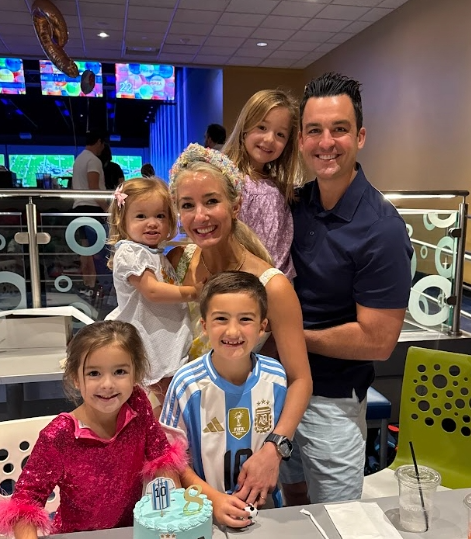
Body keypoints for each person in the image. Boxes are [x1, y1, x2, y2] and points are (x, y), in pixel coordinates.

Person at [280, 72, 413, 505]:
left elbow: (378, 341)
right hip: (276, 389)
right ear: (301, 140)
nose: (326, 142)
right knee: (287, 504)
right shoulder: (293, 204)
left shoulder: (382, 229)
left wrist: (287, 338)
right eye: (314, 130)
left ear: (360, 136)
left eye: (339, 129)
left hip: (332, 401)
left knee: (337, 519)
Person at [167, 143, 312, 508]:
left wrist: (274, 449)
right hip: (182, 416)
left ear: (235, 205)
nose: (200, 216)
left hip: (240, 429)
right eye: (188, 205)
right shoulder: (178, 262)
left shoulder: (271, 286)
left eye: (211, 201)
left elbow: (300, 379)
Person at [0, 321, 187, 537]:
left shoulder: (137, 404)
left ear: (136, 374)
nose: (107, 384)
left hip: (128, 531)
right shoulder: (59, 435)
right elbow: (25, 503)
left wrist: (175, 516)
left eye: (119, 371)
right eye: (94, 373)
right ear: (75, 378)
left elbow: (162, 458)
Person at [162, 271, 287, 527]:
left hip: (265, 511)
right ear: (204, 326)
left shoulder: (276, 378)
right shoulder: (187, 384)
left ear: (262, 326)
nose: (233, 331)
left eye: (245, 319)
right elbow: (171, 460)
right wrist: (213, 500)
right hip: (203, 511)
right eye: (221, 318)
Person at [106, 178, 197, 404]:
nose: (152, 223)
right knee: (165, 400)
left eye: (160, 216)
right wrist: (194, 292)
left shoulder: (155, 254)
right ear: (122, 220)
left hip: (163, 336)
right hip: (149, 338)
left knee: (170, 398)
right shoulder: (130, 252)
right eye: (141, 216)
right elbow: (152, 291)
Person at [223, 89, 299, 280]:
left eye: (280, 134)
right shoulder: (229, 182)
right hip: (244, 284)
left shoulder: (279, 188)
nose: (269, 139)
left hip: (280, 283)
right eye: (262, 127)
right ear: (245, 127)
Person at [70, 129, 109, 292]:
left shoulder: (79, 159)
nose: (103, 148)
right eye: (103, 144)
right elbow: (94, 188)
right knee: (97, 252)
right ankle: (99, 286)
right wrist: (107, 210)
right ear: (99, 142)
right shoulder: (93, 160)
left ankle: (89, 286)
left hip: (79, 209)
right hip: (91, 209)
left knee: (85, 251)